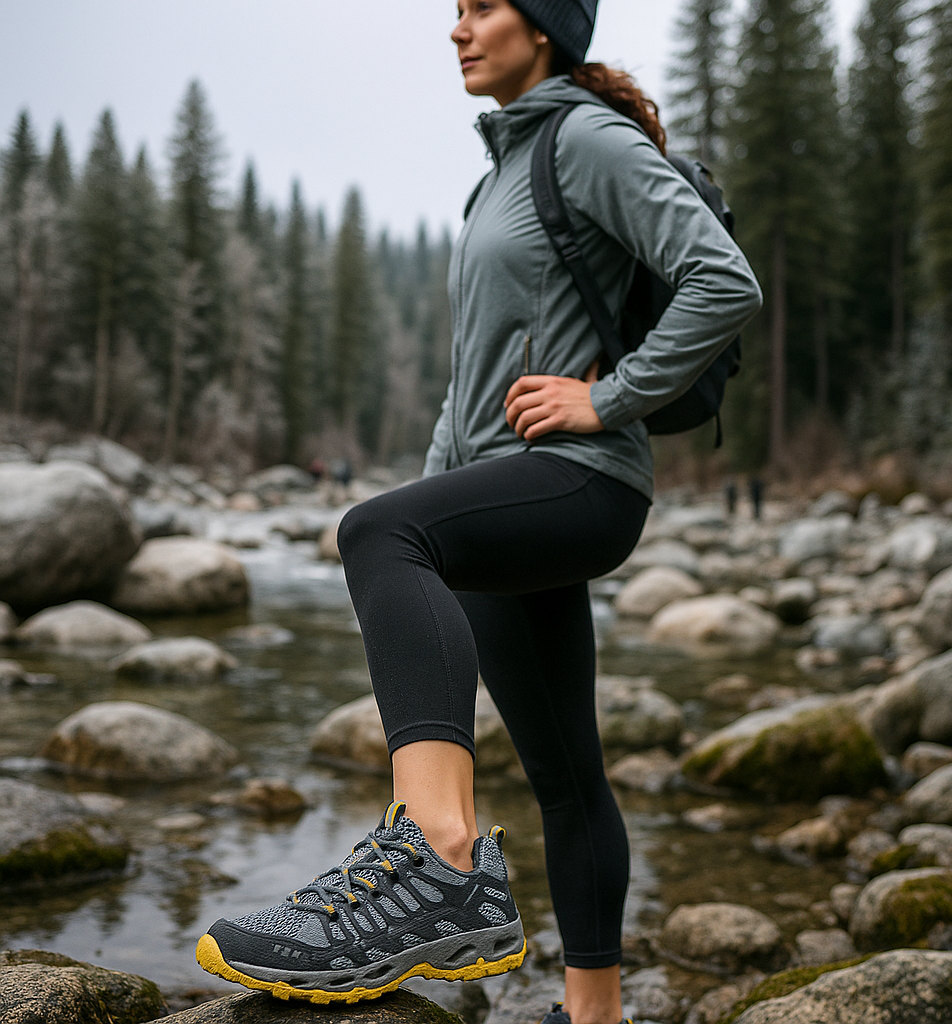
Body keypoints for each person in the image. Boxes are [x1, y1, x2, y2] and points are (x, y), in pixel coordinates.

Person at [195, 2, 761, 1022]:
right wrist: (434, 495)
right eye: (453, 10)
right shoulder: (498, 174)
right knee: (568, 774)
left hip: (578, 477)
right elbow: (472, 382)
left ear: (543, 24)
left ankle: (439, 860)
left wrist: (609, 397)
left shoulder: (586, 138)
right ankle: (595, 1014)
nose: (457, 29)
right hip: (503, 489)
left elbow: (722, 281)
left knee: (373, 529)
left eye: (483, 6)